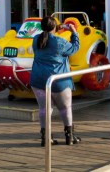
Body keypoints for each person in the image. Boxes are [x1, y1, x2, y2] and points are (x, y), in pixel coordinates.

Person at [29, 16, 80, 147]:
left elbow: (45, 43)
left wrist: (57, 28)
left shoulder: (36, 40)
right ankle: (70, 137)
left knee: (44, 109)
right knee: (65, 108)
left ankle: (46, 138)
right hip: (58, 80)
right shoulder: (60, 42)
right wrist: (74, 32)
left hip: (38, 80)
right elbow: (74, 48)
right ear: (54, 27)